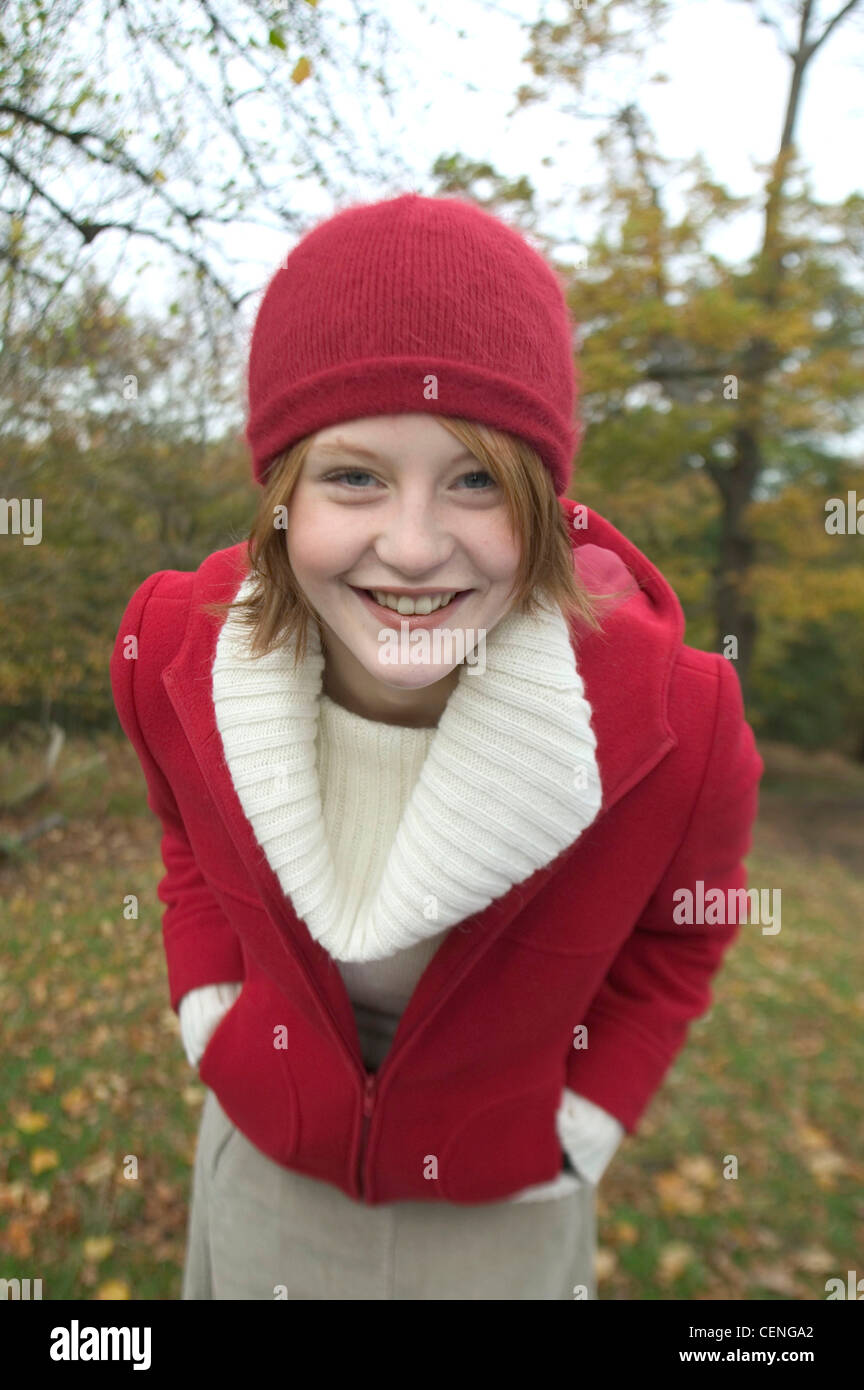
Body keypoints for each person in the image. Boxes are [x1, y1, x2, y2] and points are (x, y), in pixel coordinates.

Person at [109, 192, 764, 1300]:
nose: (412, 550)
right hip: (266, 1169)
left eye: (474, 479)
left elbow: (680, 937)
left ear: (547, 503)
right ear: (279, 495)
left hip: (500, 1218)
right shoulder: (170, 649)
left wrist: (580, 1120)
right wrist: (210, 1010)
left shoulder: (683, 723)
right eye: (354, 475)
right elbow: (188, 841)